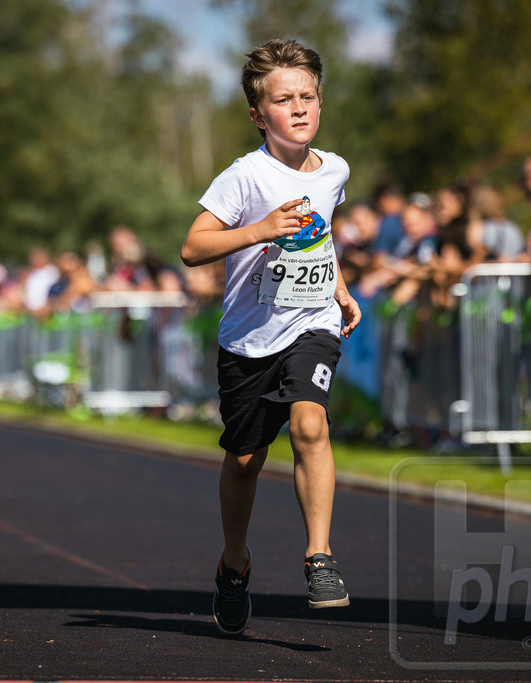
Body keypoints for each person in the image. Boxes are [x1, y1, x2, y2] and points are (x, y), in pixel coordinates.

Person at [180, 38, 361, 636]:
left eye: (308, 96)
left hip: (311, 323)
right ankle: (235, 565)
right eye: (285, 100)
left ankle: (320, 558)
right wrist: (258, 229)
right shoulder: (244, 176)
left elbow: (321, 237)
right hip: (248, 339)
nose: (301, 107)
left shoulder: (334, 169)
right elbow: (193, 246)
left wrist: (336, 287)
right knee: (244, 460)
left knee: (311, 423)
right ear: (260, 115)